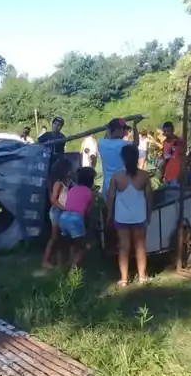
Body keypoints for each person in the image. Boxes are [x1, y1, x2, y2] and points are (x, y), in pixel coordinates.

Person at [105, 143, 152, 285]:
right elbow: (150, 198)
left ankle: (124, 279)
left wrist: (109, 216)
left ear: (123, 159)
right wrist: (149, 214)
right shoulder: (144, 176)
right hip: (140, 216)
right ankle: (142, 277)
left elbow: (111, 198)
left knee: (123, 247)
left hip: (122, 217)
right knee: (140, 247)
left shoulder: (117, 177)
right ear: (137, 158)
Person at [58, 167, 96, 269]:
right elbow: (88, 211)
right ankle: (73, 266)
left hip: (63, 217)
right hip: (76, 218)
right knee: (83, 246)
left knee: (72, 243)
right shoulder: (91, 193)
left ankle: (69, 262)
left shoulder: (72, 189)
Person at [41, 158, 73, 268]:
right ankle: (45, 260)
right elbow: (53, 200)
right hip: (56, 212)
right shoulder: (58, 184)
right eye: (69, 169)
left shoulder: (67, 182)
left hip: (61, 212)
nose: (71, 171)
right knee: (54, 237)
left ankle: (60, 261)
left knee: (59, 238)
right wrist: (64, 208)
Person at [97, 118, 129, 200]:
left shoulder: (101, 144)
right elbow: (136, 143)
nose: (125, 131)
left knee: (110, 210)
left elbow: (106, 139)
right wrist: (135, 126)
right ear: (118, 130)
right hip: (121, 185)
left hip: (107, 186)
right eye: (123, 129)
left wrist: (108, 130)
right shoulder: (124, 144)